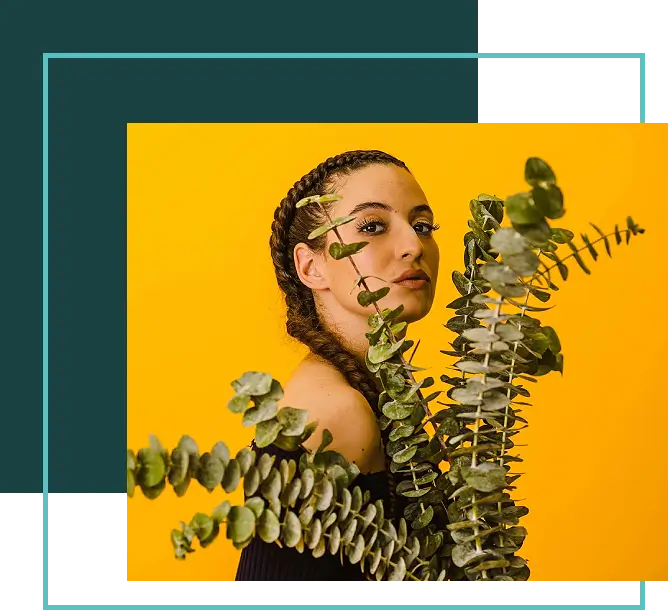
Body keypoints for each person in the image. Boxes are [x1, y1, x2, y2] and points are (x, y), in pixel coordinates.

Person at [235, 150, 440, 584]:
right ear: (311, 266)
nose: (413, 245)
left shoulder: (372, 388)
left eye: (422, 226)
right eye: (371, 226)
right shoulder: (333, 415)